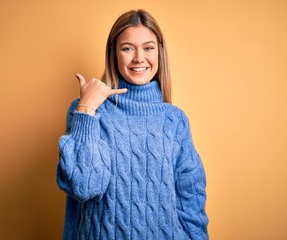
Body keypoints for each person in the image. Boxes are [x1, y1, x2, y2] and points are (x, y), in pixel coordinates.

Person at [56, 9, 208, 240]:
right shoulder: (86, 110)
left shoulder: (174, 120)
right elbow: (84, 186)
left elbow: (191, 200)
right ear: (114, 54)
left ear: (159, 53)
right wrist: (87, 110)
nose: (139, 58)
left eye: (148, 48)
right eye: (127, 48)